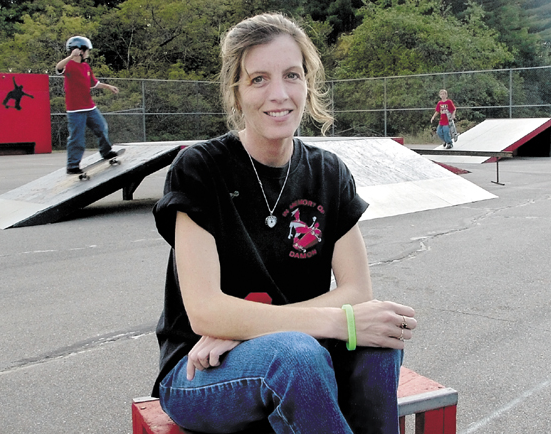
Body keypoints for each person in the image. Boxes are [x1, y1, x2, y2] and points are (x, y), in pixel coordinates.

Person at [151, 13, 417, 434]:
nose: (279, 94)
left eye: (292, 75)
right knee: (294, 354)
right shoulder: (201, 168)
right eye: (258, 79)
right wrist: (327, 323)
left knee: (378, 346)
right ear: (236, 92)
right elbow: (205, 312)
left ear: (308, 83)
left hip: (295, 350)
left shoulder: (329, 172)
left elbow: (357, 292)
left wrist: (245, 330)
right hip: (201, 369)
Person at [55, 36, 120, 174]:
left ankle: (106, 152)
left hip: (90, 107)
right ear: (80, 50)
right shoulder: (70, 66)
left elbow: (94, 83)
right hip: (75, 110)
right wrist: (71, 56)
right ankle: (72, 165)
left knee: (102, 128)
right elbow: (58, 67)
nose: (88, 53)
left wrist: (108, 87)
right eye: (87, 50)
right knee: (77, 138)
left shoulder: (86, 66)